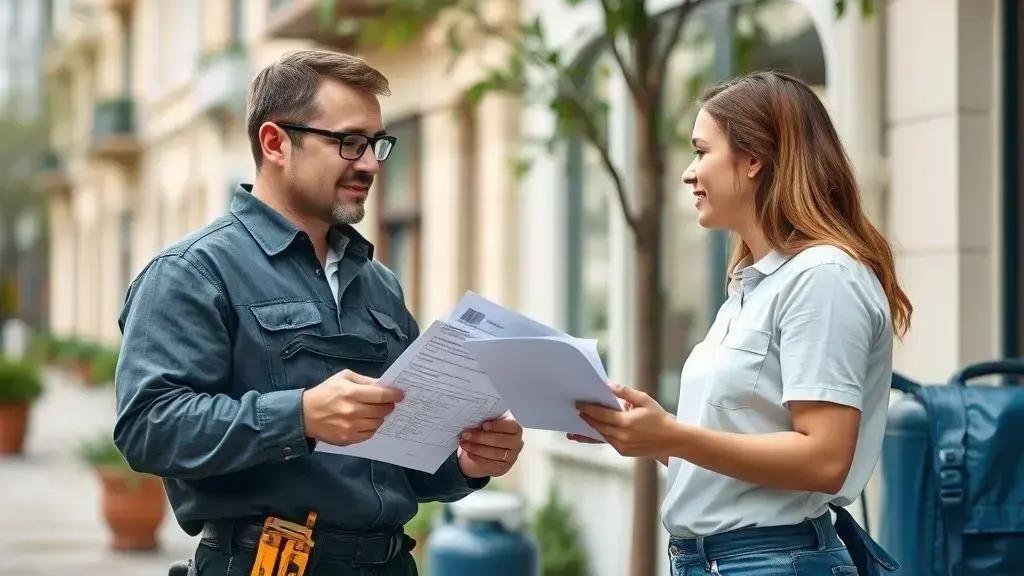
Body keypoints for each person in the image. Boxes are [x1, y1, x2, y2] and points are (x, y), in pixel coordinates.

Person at [114, 50, 524, 576]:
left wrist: (467, 461)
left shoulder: (379, 285)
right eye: (350, 142)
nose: (372, 163)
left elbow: (405, 460)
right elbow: (149, 427)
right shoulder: (192, 272)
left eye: (378, 144)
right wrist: (300, 415)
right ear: (275, 142)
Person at [573, 71, 911, 576]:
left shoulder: (824, 277)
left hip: (775, 562)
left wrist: (672, 437)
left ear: (753, 159)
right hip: (717, 561)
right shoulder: (750, 285)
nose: (689, 173)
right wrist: (649, 435)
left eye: (701, 151)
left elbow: (823, 458)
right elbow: (744, 468)